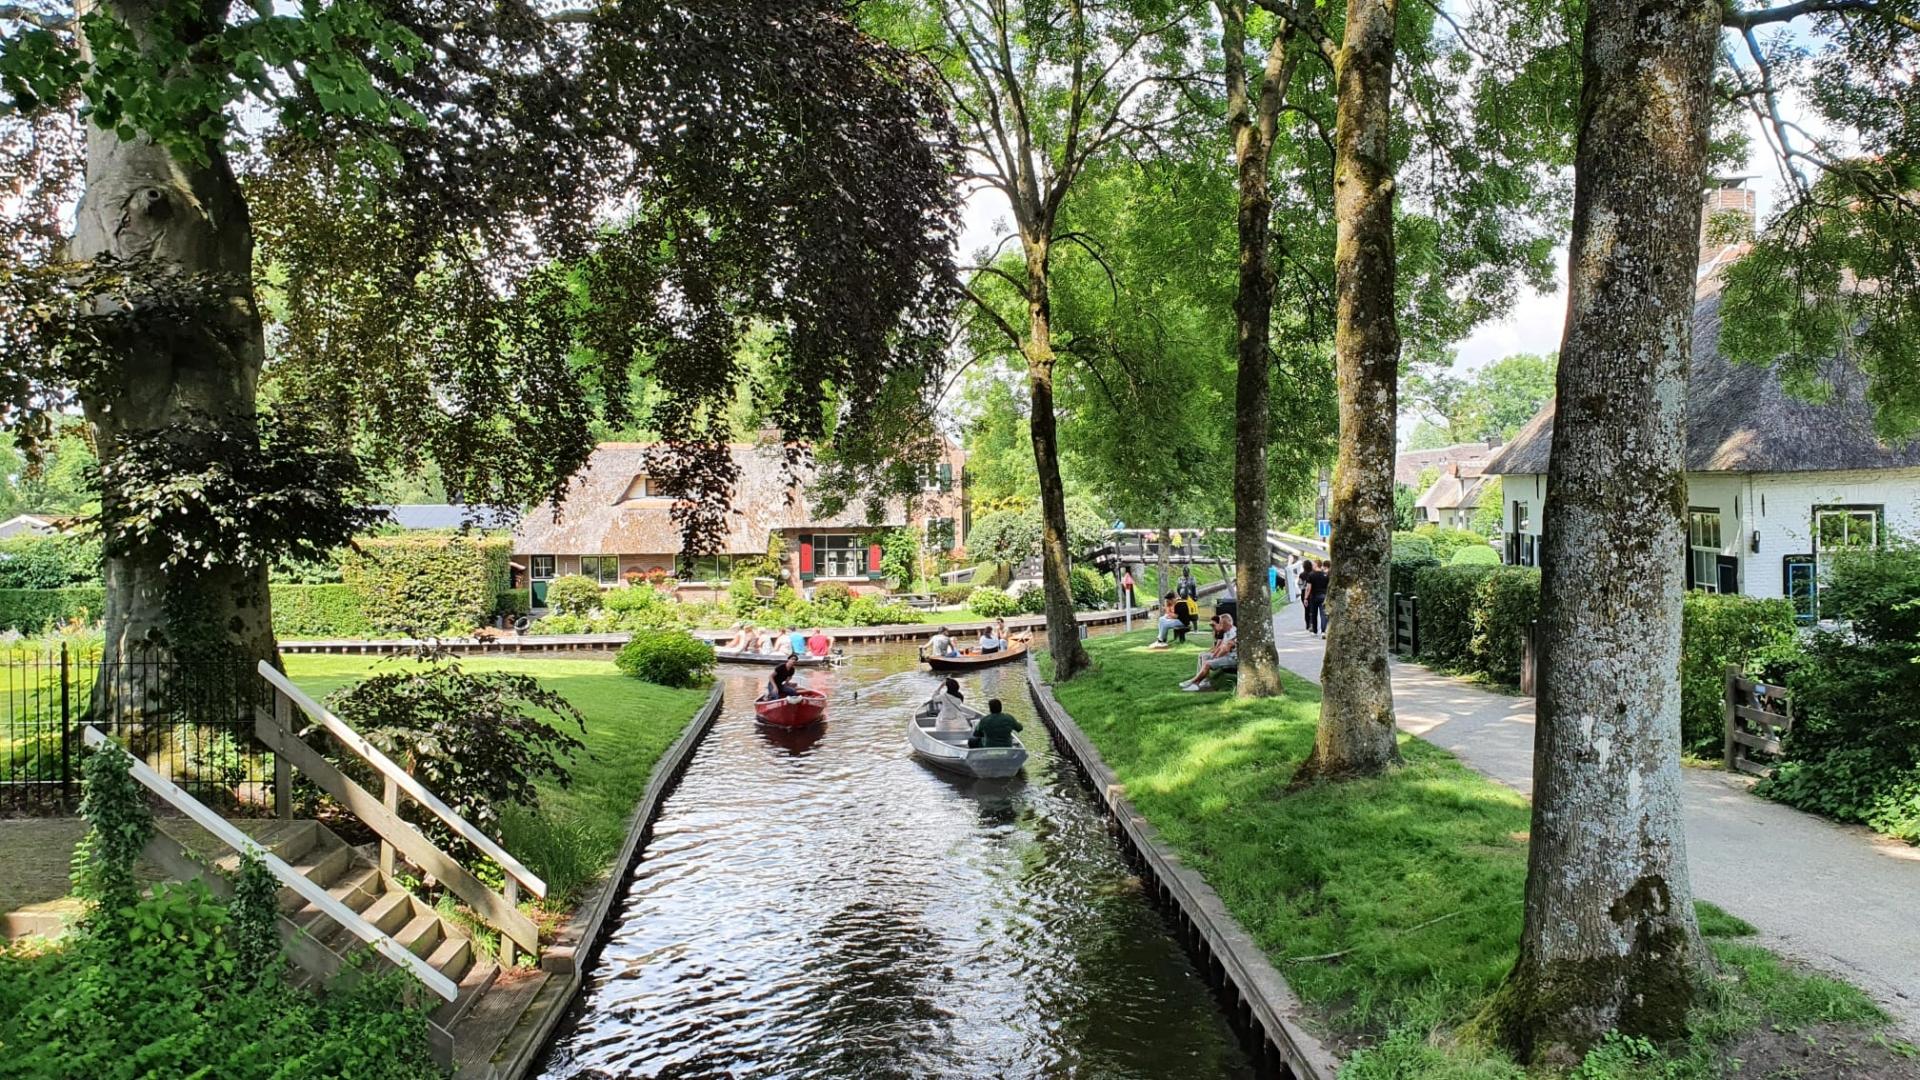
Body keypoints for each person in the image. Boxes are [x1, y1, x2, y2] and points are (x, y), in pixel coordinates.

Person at [1181, 614, 1238, 692]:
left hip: (1233, 658)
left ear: (1227, 623)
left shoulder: (1234, 633)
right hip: (1227, 656)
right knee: (1204, 656)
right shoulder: (1226, 632)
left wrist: (1214, 659)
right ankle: (1204, 682)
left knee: (1207, 663)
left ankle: (1194, 682)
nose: (1220, 624)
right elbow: (1221, 647)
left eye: (1221, 623)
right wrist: (1214, 655)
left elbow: (1226, 650)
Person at [1302, 560, 1330, 636]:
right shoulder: (1325, 575)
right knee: (1323, 614)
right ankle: (1323, 632)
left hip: (1314, 596)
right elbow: (1328, 587)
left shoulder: (1311, 575)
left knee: (1314, 614)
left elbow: (1308, 588)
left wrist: (1305, 598)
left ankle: (1314, 631)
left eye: (1313, 564)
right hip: (1324, 596)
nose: (1312, 566)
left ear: (1317, 565)